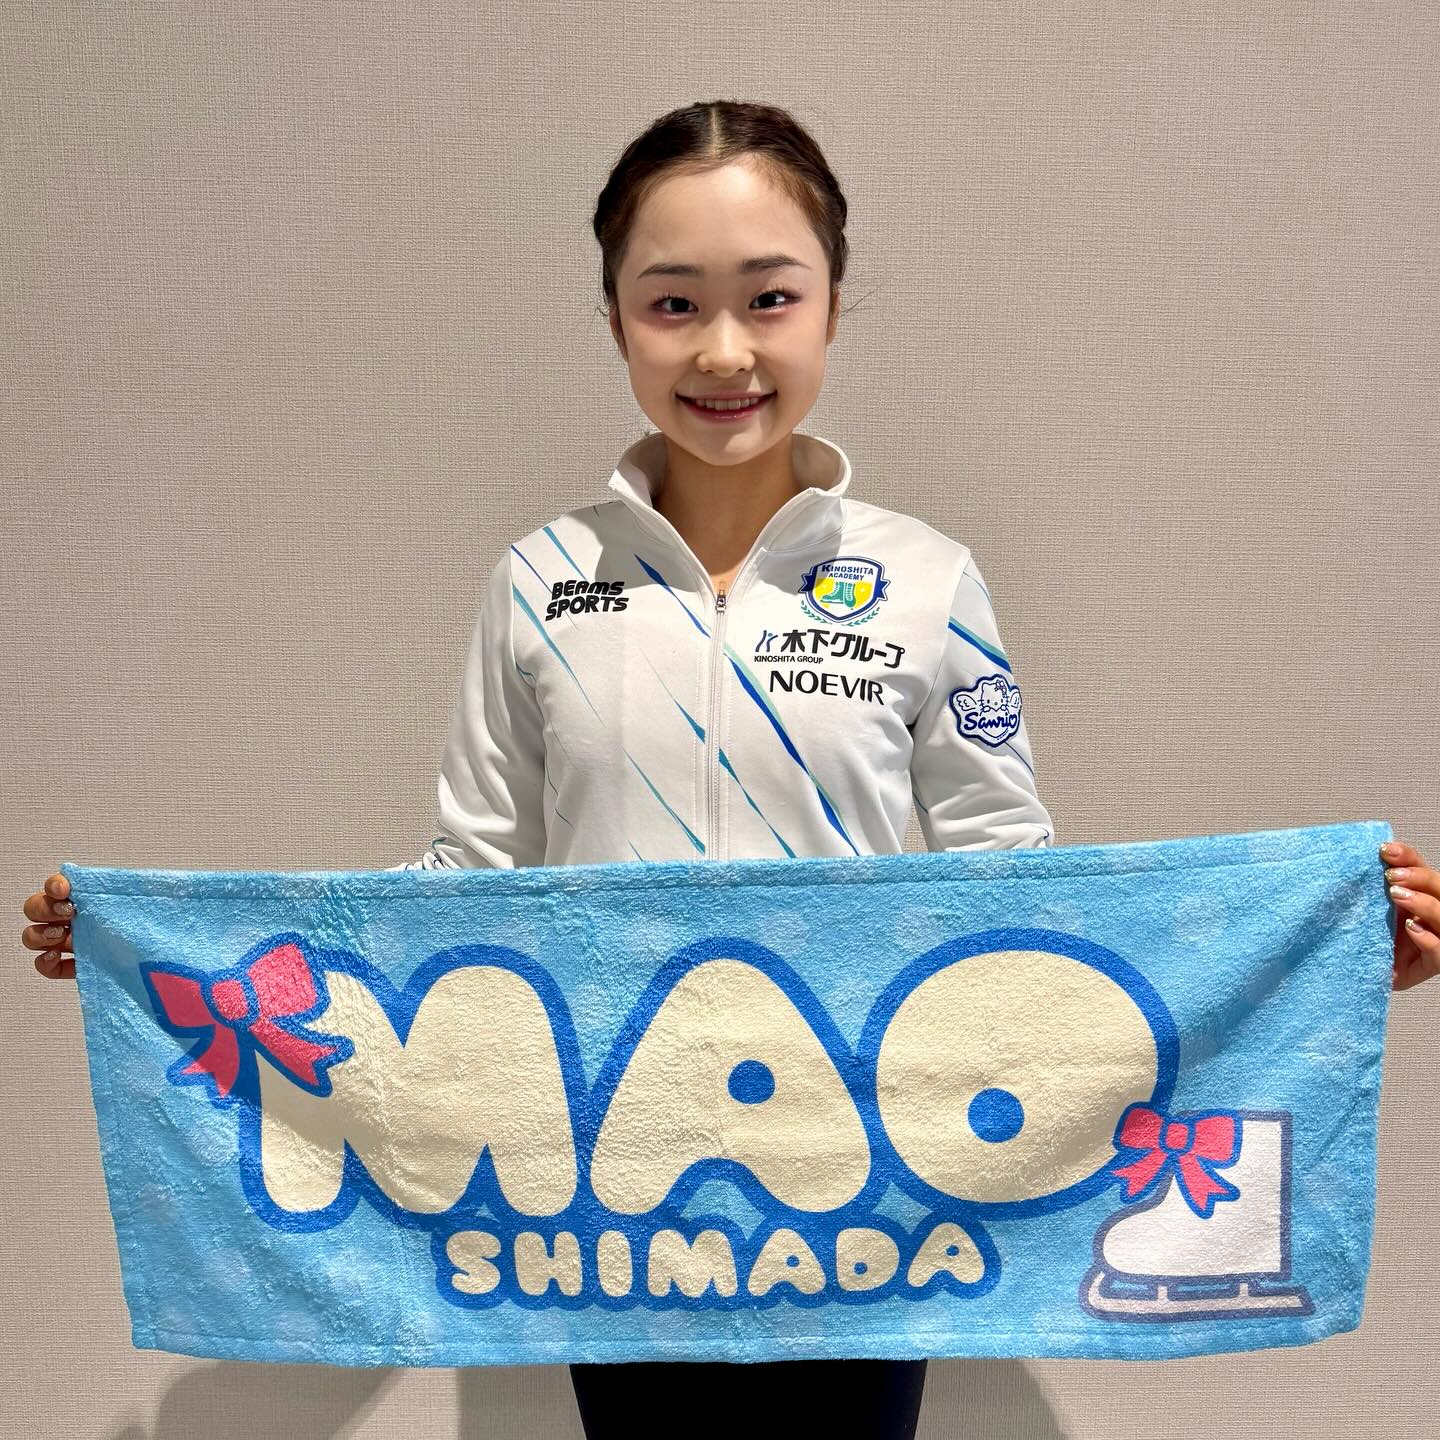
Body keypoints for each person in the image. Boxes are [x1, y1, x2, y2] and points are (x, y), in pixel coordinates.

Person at [21, 98, 1437, 1439]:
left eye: (769, 298)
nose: (722, 351)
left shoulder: (927, 580)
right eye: (672, 303)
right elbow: (463, 879)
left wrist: (1315, 947)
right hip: (606, 1197)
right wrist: (168, 953)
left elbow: (1016, 885)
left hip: (870, 1193)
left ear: (832, 305)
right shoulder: (541, 582)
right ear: (616, 320)